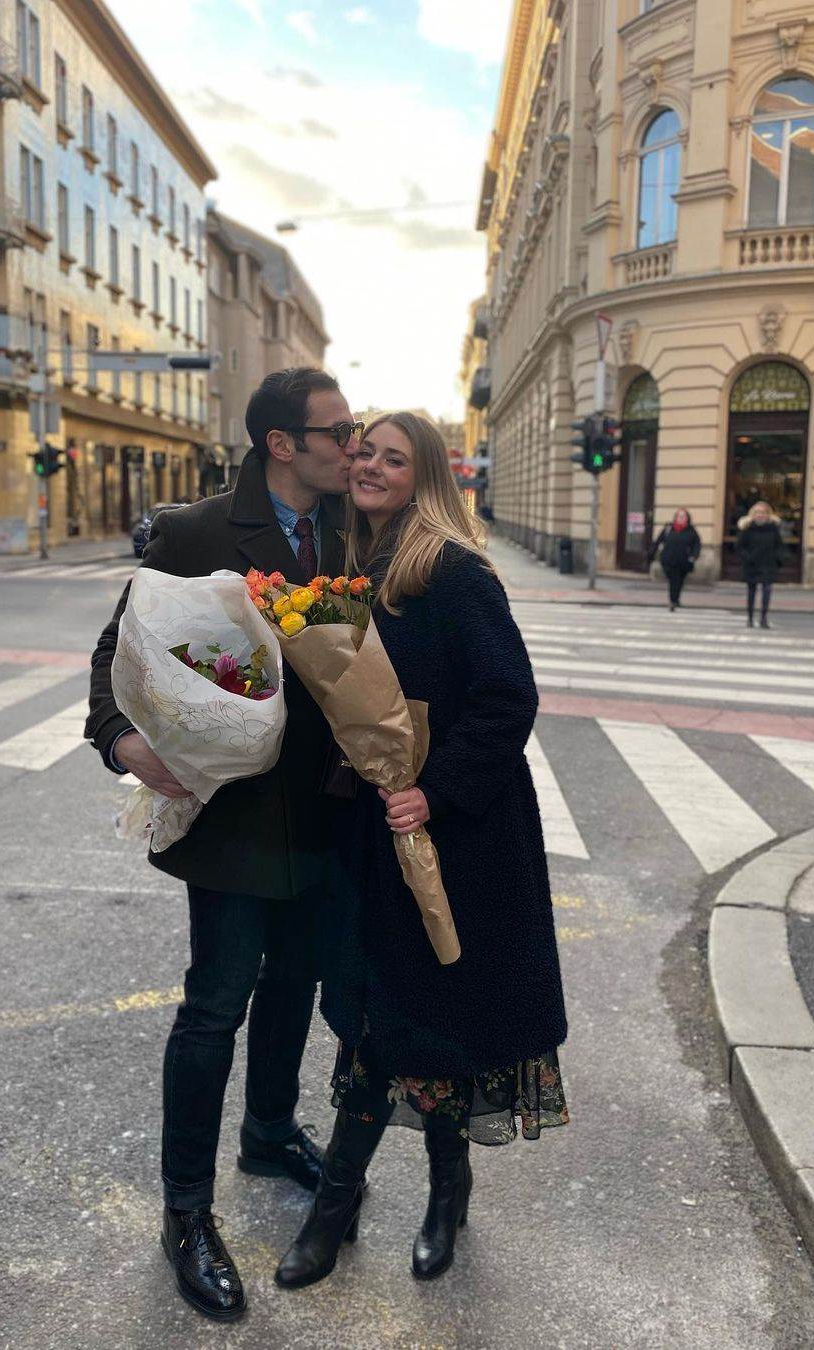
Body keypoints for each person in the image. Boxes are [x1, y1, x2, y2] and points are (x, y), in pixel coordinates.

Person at [86, 368, 363, 1323]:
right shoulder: (198, 532)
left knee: (295, 986)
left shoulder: (350, 531)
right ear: (283, 444)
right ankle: (186, 1213)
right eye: (338, 432)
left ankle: (270, 1132)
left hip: (324, 812)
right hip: (234, 819)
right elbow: (115, 653)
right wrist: (121, 741)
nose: (352, 446)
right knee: (215, 1005)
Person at [275, 412, 569, 1292]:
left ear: (426, 476)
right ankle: (345, 1204)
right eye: (364, 451)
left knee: (433, 1020)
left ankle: (429, 1196)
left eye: (393, 458)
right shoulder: (359, 564)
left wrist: (433, 790)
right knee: (380, 1016)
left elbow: (508, 698)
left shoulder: (451, 568)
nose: (370, 465)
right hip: (377, 828)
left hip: (456, 834)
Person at [737, 500, 786, 629]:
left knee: (767, 591)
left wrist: (778, 559)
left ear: (768, 514)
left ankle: (764, 618)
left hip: (768, 564)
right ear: (753, 514)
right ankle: (750, 618)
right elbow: (740, 547)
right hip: (752, 564)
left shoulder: (773, 529)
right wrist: (747, 558)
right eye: (757, 512)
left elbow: (779, 546)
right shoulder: (747, 528)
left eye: (763, 512)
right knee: (751, 592)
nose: (760, 515)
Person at [648, 508, 700, 610]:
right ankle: (673, 601)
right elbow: (658, 541)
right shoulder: (668, 528)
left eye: (683, 516)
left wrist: (694, 556)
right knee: (673, 579)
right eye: (679, 516)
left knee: (679, 581)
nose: (681, 518)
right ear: (675, 518)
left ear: (687, 518)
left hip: (684, 561)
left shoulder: (691, 530)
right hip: (668, 559)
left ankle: (676, 599)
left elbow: (696, 544)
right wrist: (652, 553)